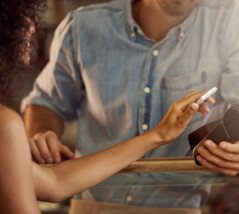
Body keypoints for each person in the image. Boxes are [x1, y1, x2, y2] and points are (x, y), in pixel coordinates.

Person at [21, 0, 239, 210]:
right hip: (91, 205)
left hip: (183, 207)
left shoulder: (232, 22)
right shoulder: (82, 26)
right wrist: (41, 133)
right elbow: (45, 103)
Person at [0, 0, 214, 213]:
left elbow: (54, 182)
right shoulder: (5, 125)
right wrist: (159, 136)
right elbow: (53, 182)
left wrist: (158, 135)